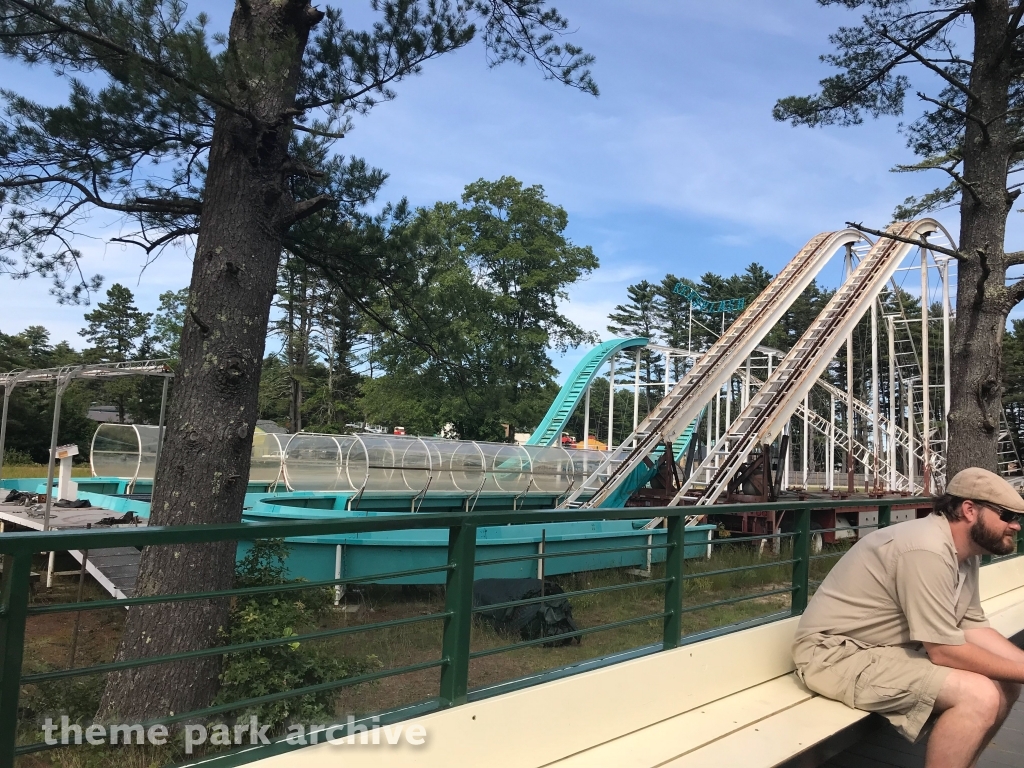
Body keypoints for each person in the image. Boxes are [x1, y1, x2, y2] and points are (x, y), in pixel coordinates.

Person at [793, 467, 1024, 768]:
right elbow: (943, 651)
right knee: (979, 695)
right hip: (834, 655)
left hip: (880, 649)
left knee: (1007, 683)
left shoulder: (965, 554)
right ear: (969, 510)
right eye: (1007, 515)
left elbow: (971, 626)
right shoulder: (927, 548)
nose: (1016, 525)